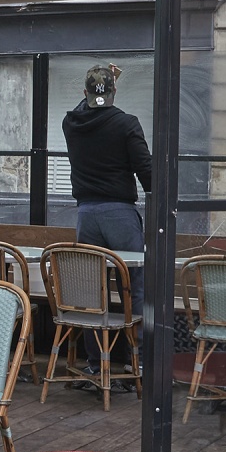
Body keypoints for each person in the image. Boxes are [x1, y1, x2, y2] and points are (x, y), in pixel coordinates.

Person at [61, 63, 151, 381]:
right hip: (120, 215)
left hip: (86, 214)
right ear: (113, 92)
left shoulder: (71, 123)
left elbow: (85, 108)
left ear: (84, 93)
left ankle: (97, 362)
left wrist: (100, 90)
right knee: (135, 287)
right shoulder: (126, 124)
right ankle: (135, 361)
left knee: (91, 290)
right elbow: (147, 172)